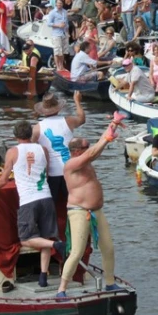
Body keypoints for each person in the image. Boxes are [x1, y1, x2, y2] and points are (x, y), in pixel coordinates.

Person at [0, 121, 66, 288]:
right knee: (45, 236)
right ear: (30, 134)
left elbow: (4, 178)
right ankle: (43, 277)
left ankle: (56, 245)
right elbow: (46, 172)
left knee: (26, 240)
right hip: (46, 197)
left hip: (28, 200)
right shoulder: (43, 150)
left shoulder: (13, 152)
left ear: (15, 136)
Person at [56, 120, 123, 298]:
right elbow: (94, 150)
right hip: (79, 211)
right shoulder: (71, 165)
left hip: (96, 211)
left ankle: (109, 283)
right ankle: (62, 289)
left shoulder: (86, 160)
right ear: (77, 151)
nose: (89, 148)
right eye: (86, 146)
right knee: (77, 251)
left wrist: (113, 124)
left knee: (108, 247)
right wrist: (107, 139)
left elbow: (96, 150)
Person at [32, 91, 85, 237]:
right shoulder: (68, 121)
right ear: (58, 108)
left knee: (52, 206)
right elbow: (82, 118)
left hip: (52, 173)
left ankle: (50, 235)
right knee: (75, 205)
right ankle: (77, 232)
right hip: (70, 171)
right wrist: (77, 101)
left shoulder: (37, 128)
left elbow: (30, 147)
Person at [45, 0, 69, 71]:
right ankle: (57, 66)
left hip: (64, 33)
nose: (59, 4)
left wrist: (67, 29)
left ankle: (62, 66)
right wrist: (58, 25)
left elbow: (67, 23)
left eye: (61, 3)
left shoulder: (65, 12)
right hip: (56, 33)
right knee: (57, 51)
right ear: (56, 4)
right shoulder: (52, 12)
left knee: (63, 51)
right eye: (58, 3)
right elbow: (48, 23)